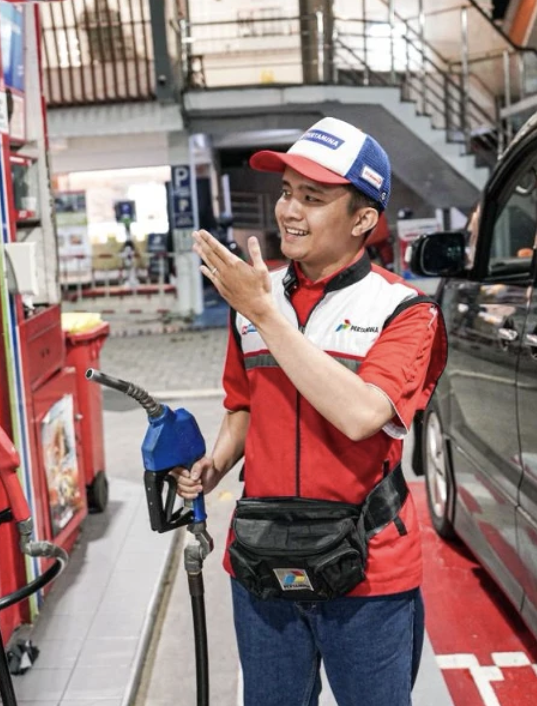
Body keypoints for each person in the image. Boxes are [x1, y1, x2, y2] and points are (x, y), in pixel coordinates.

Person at [175, 117, 447, 706]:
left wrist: (266, 315)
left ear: (363, 219)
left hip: (368, 569)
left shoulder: (405, 310)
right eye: (287, 192)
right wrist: (215, 463)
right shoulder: (254, 296)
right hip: (261, 558)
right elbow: (243, 405)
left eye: (313, 198)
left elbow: (361, 415)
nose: (289, 211)